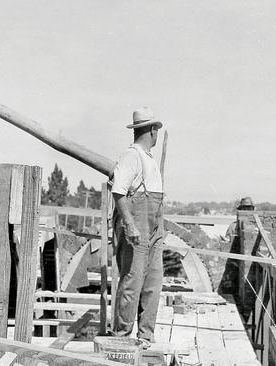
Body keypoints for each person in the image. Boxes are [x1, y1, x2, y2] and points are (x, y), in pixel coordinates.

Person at [111, 106, 164, 348]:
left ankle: (145, 337)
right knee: (132, 281)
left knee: (153, 282)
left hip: (154, 226)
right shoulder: (131, 156)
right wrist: (130, 225)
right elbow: (119, 192)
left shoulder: (149, 159)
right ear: (152, 131)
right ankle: (121, 337)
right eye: (156, 130)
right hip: (138, 225)